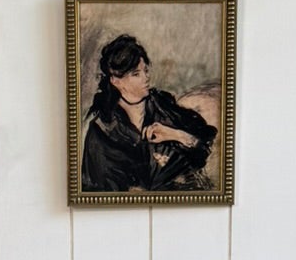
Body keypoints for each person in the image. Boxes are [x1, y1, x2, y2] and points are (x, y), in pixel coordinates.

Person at [79, 34, 217, 193]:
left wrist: (177, 135)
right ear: (115, 81)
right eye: (136, 74)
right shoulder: (102, 129)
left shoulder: (163, 106)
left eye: (145, 70)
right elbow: (95, 189)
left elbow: (204, 147)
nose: (146, 77)